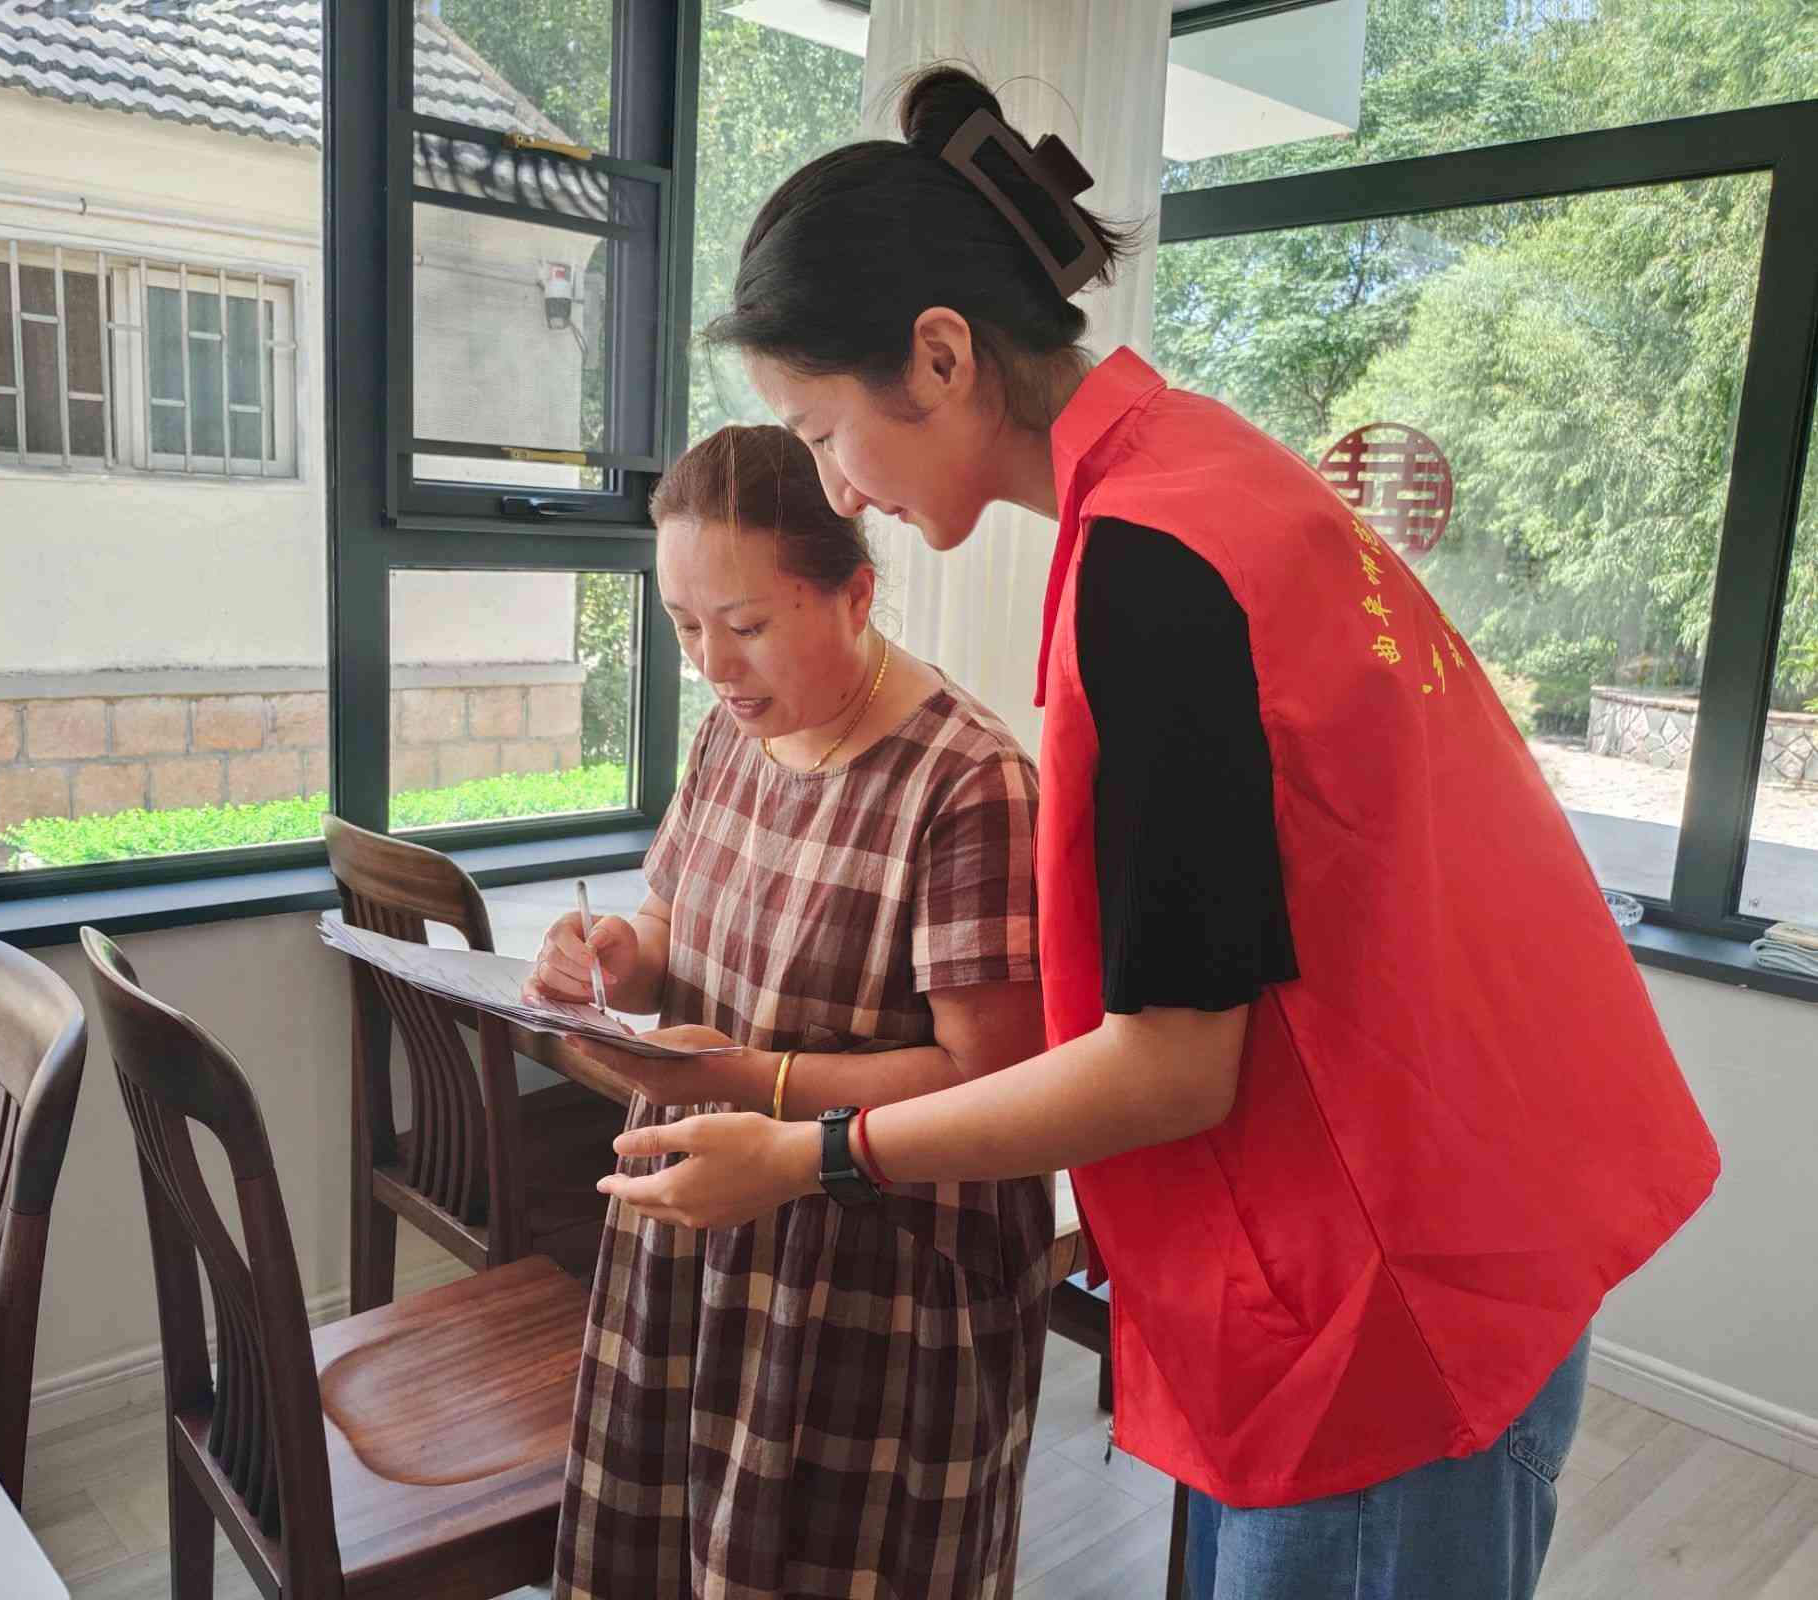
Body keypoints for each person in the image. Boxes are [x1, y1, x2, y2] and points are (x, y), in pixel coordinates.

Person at [580, 67, 1722, 1600]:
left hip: (1392, 1284)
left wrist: (806, 1155)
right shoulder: (1209, 474)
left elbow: (1173, 1067)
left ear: (940, 356)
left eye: (824, 427)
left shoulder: (1154, 567)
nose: (837, 481)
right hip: (1445, 1211)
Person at [530, 424, 1054, 1600]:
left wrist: (737, 1074)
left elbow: (991, 1084)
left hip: (872, 1277)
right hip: (700, 1226)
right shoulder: (733, 732)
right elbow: (667, 926)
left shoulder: (968, 782)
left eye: (749, 624)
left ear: (856, 594)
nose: (713, 664)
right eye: (684, 625)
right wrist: (615, 957)